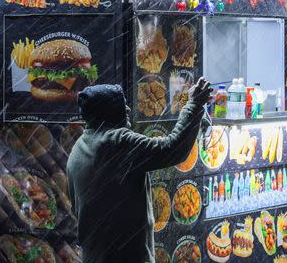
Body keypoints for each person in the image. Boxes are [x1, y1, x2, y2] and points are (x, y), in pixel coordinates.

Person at [67, 78, 212, 263]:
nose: (128, 109)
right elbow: (172, 149)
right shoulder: (117, 141)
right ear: (109, 112)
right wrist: (194, 103)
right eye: (122, 105)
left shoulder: (79, 147)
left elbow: (75, 206)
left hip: (94, 254)